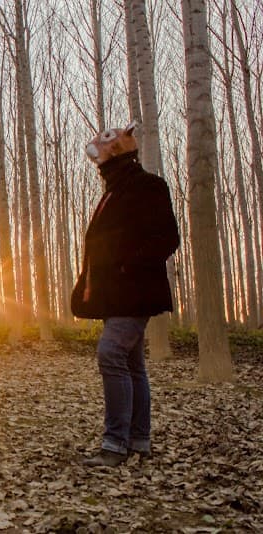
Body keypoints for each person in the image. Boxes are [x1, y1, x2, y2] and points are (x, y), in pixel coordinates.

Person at [72, 122, 180, 467]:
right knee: (133, 364)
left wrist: (126, 266)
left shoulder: (148, 186)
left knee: (111, 353)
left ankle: (115, 443)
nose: (97, 161)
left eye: (101, 154)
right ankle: (138, 439)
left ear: (117, 152)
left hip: (134, 292)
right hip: (116, 294)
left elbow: (166, 239)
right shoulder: (114, 191)